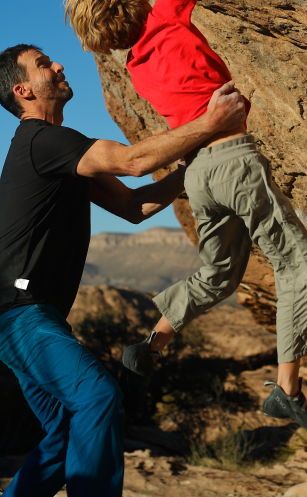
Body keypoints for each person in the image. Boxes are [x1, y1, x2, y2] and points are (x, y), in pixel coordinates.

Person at [65, 0, 307, 434]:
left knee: (218, 275)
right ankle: (287, 388)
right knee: (297, 263)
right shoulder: (166, 16)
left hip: (200, 173)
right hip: (231, 157)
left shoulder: (134, 64)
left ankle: (154, 340)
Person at [0, 42, 245, 496]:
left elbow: (135, 206)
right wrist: (212, 123)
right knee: (96, 397)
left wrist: (195, 164)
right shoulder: (42, 139)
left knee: (67, 432)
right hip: (19, 314)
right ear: (23, 91)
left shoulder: (58, 153)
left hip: (32, 315)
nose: (57, 66)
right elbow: (133, 162)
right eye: (43, 65)